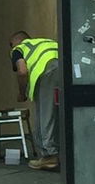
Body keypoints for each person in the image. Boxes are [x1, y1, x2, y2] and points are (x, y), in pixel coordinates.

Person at [11, 31, 60, 170]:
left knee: (46, 113)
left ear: (16, 42)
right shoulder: (47, 42)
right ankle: (63, 153)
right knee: (61, 113)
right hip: (68, 70)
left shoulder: (19, 49)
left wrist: (22, 93)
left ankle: (49, 155)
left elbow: (22, 71)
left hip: (47, 73)